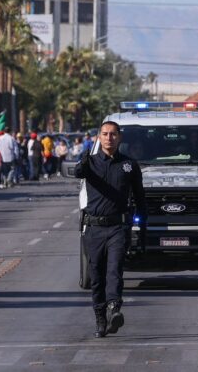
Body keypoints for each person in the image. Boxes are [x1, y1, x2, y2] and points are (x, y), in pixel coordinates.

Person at [75, 121, 147, 338]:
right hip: (94, 228)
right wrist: (83, 162)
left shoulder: (129, 165)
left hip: (117, 227)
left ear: (120, 137)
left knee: (114, 269)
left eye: (113, 134)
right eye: (105, 134)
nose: (109, 138)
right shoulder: (91, 162)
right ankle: (100, 317)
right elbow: (78, 172)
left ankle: (114, 308)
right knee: (97, 276)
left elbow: (140, 197)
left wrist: (141, 226)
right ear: (99, 137)